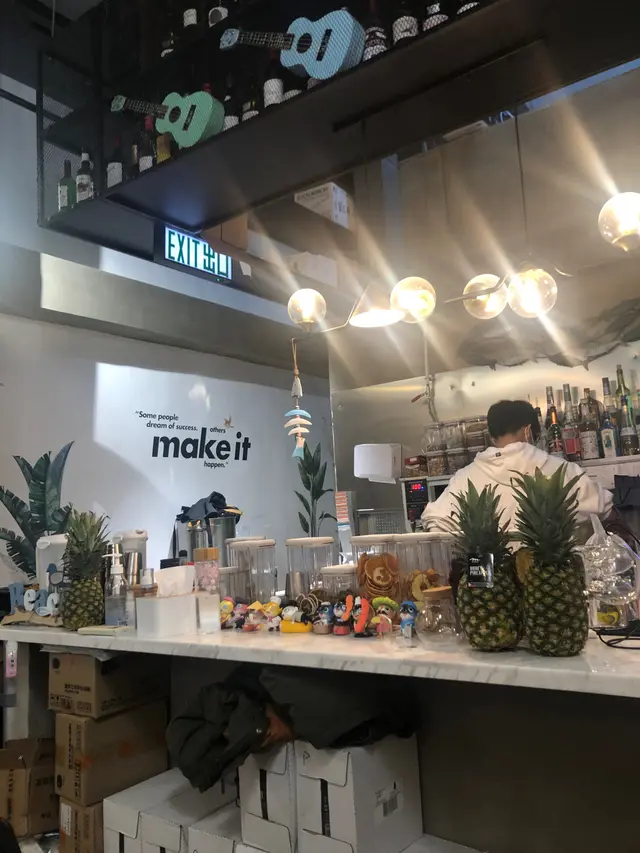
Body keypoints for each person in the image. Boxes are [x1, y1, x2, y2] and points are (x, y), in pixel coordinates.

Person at [422, 399, 612, 530]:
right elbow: (604, 507)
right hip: (553, 573)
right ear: (528, 431)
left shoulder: (465, 478)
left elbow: (436, 522)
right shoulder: (562, 470)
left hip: (488, 574)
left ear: (492, 438)